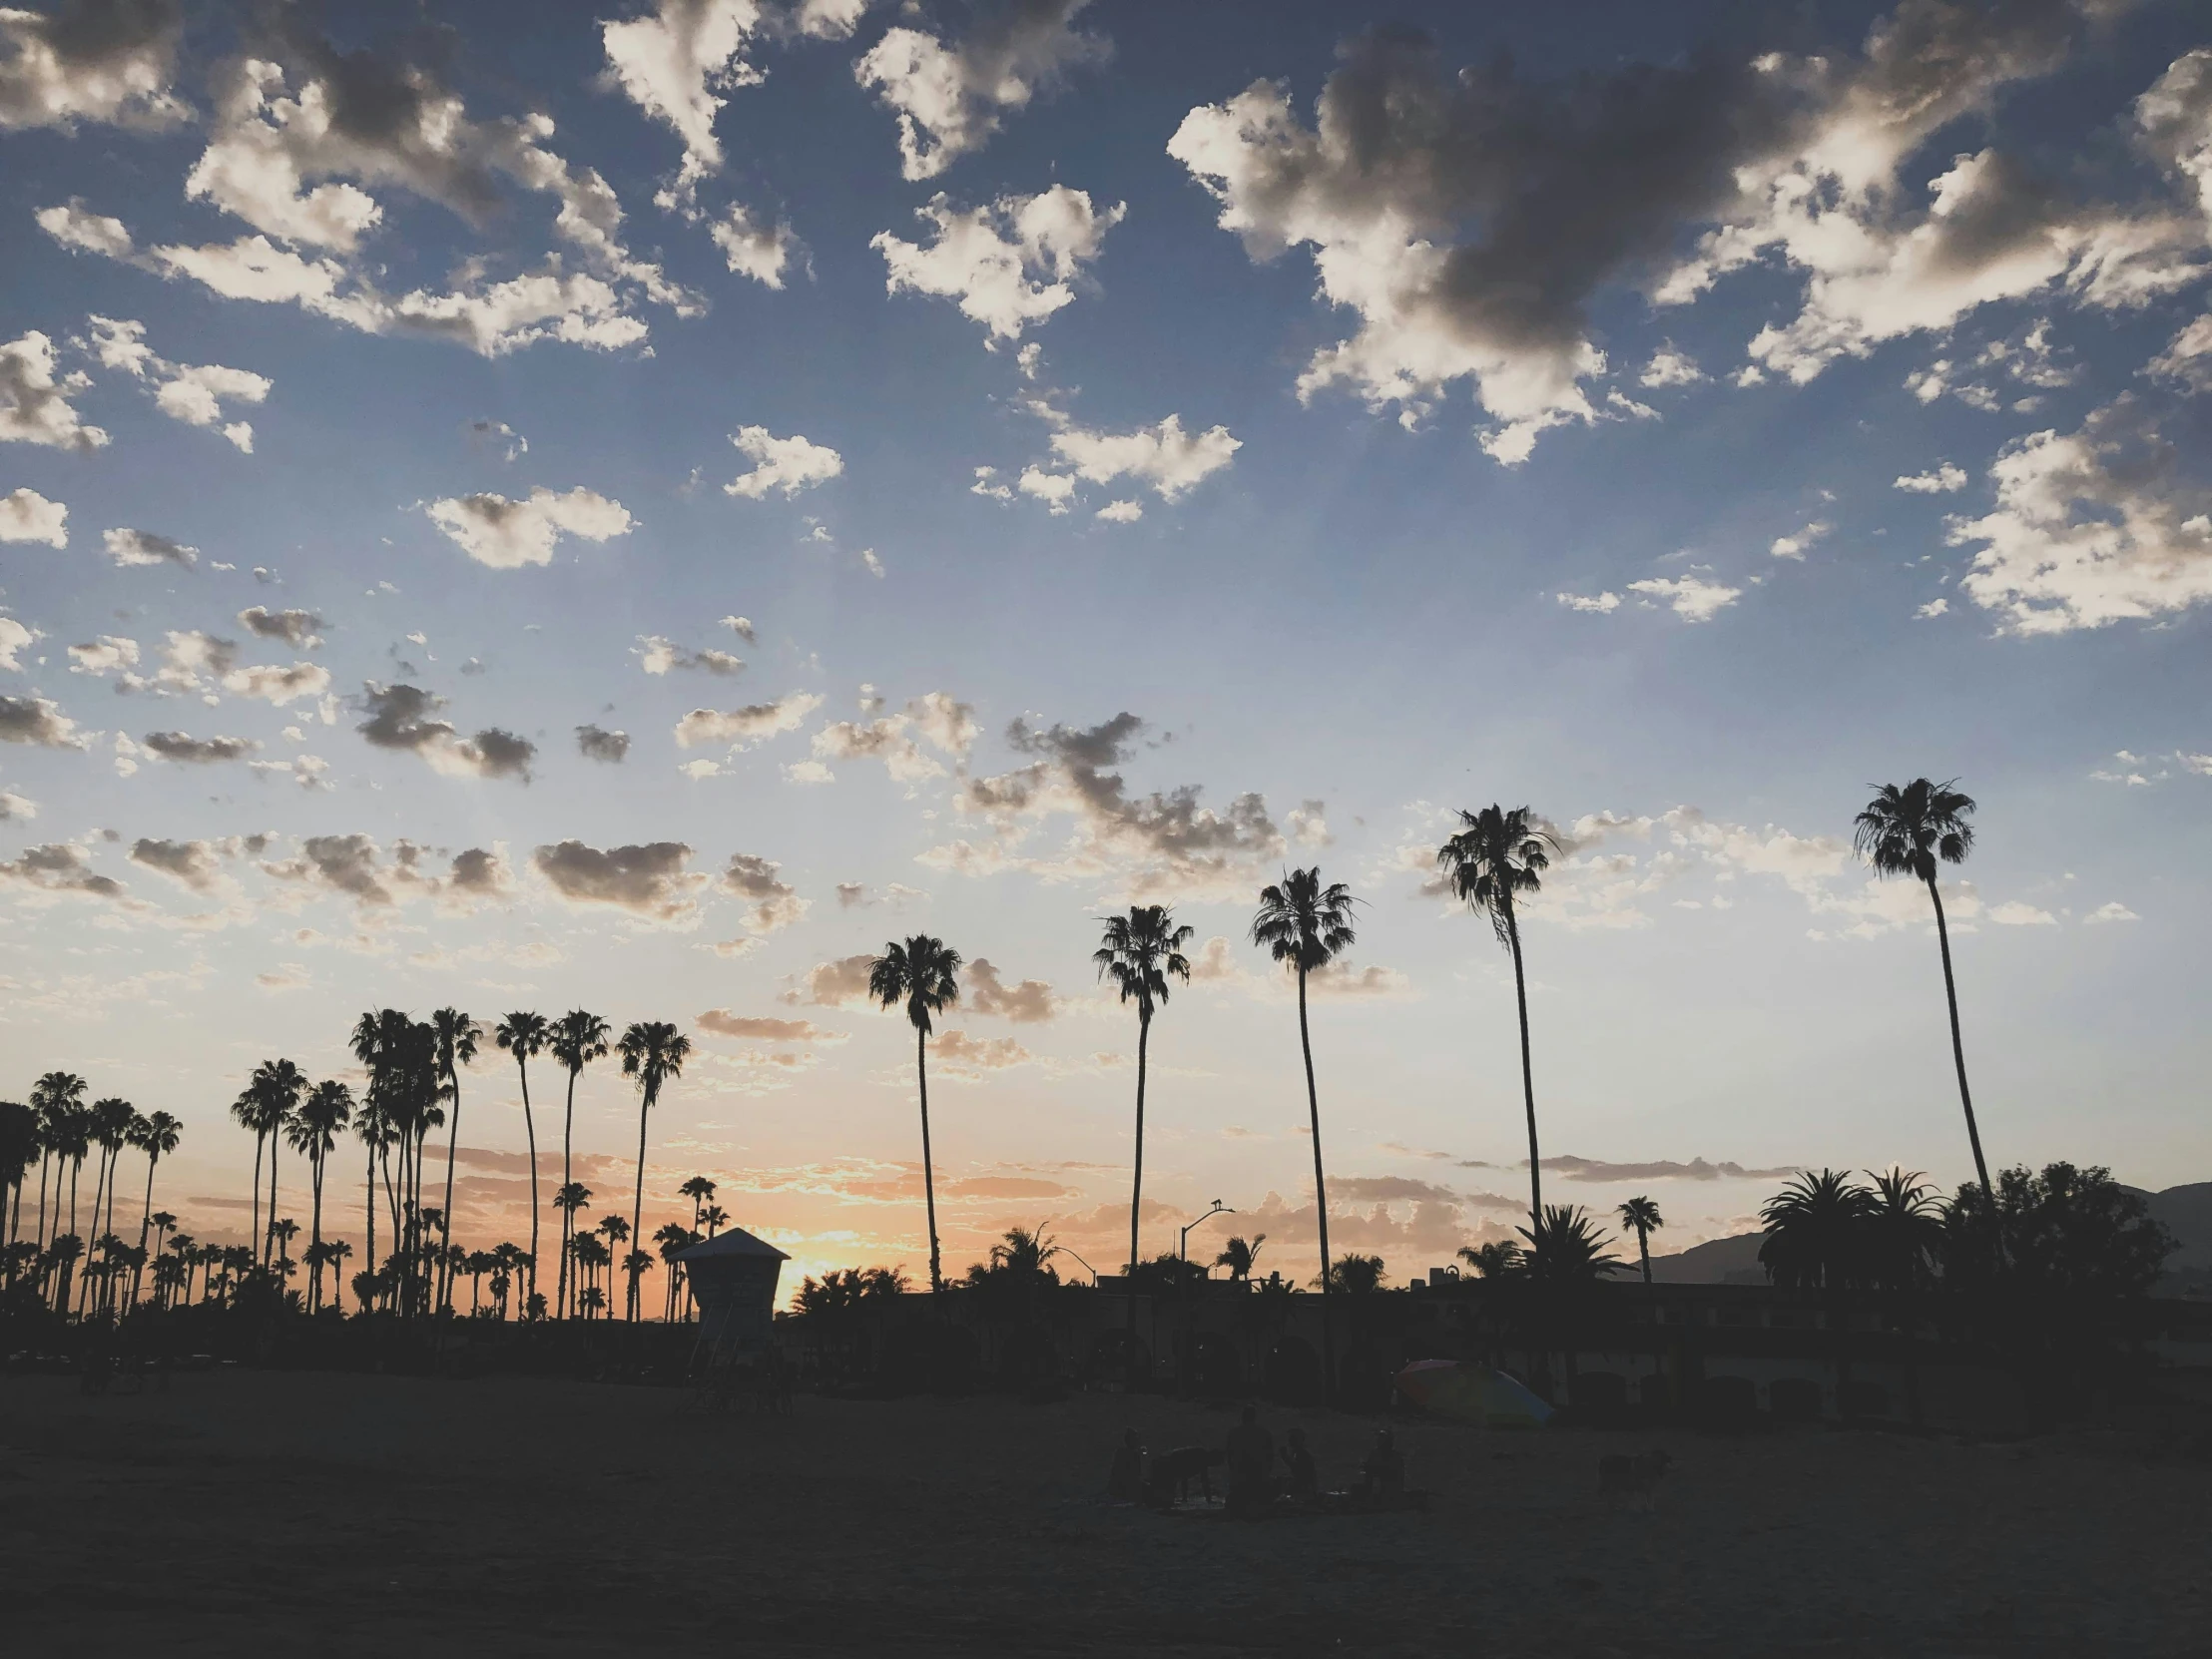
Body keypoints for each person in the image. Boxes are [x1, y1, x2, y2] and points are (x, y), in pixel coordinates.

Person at [1225, 1402, 1275, 1517]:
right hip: (1258, 1477)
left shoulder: (1233, 1433)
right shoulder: (1264, 1434)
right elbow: (1270, 1457)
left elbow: (1230, 1457)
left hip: (1240, 1477)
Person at [1359, 1427, 1404, 1498]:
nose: (1379, 1440)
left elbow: (1394, 1475)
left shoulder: (1395, 1457)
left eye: (1382, 1439)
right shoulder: (1374, 1454)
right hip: (1377, 1489)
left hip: (1391, 1491)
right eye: (1379, 1438)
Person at [1107, 1427, 1145, 1502]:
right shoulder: (1133, 1454)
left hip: (1117, 1486)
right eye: (1136, 1439)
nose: (1138, 1442)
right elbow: (1135, 1475)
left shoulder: (1120, 1452)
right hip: (1126, 1488)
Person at [1280, 1424, 1318, 1499]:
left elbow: (1298, 1470)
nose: (1289, 1440)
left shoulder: (1301, 1453)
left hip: (1304, 1489)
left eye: (1292, 1438)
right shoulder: (1297, 1452)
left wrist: (1284, 1457)